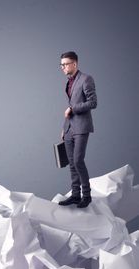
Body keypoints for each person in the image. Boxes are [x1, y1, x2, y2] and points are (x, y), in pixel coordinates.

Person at [58, 51, 97, 208]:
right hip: (69, 128)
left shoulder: (86, 79)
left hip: (81, 127)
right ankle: (75, 195)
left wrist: (73, 109)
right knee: (72, 164)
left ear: (75, 64)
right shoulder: (69, 82)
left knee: (78, 160)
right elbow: (70, 105)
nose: (63, 67)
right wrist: (64, 128)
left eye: (66, 64)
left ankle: (86, 196)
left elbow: (93, 102)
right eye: (61, 65)